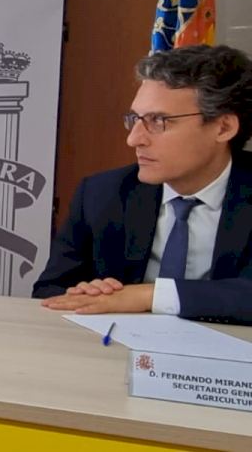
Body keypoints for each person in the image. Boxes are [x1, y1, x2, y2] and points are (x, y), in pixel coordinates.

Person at [34, 45, 252, 325]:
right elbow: (49, 291)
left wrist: (148, 296)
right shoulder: (102, 193)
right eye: (135, 119)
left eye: (158, 121)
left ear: (224, 128)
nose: (134, 139)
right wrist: (85, 293)